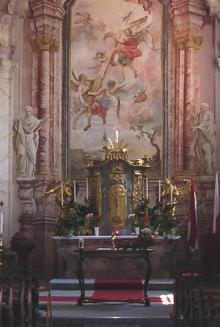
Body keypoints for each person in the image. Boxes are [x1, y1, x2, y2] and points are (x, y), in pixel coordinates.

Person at [13, 105, 48, 178]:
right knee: (22, 155)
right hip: (22, 140)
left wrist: (43, 121)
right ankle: (21, 173)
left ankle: (29, 173)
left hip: (30, 140)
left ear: (31, 112)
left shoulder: (35, 120)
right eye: (26, 111)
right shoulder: (21, 120)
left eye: (29, 111)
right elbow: (16, 127)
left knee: (32, 156)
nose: (27, 112)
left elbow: (38, 125)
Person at [191, 103, 215, 175]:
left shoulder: (209, 114)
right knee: (199, 154)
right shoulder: (199, 115)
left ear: (206, 108)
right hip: (199, 137)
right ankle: (201, 170)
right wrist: (193, 118)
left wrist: (200, 127)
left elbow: (210, 123)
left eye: (203, 107)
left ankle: (208, 171)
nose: (201, 108)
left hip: (206, 137)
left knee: (207, 154)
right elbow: (196, 123)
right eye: (201, 107)